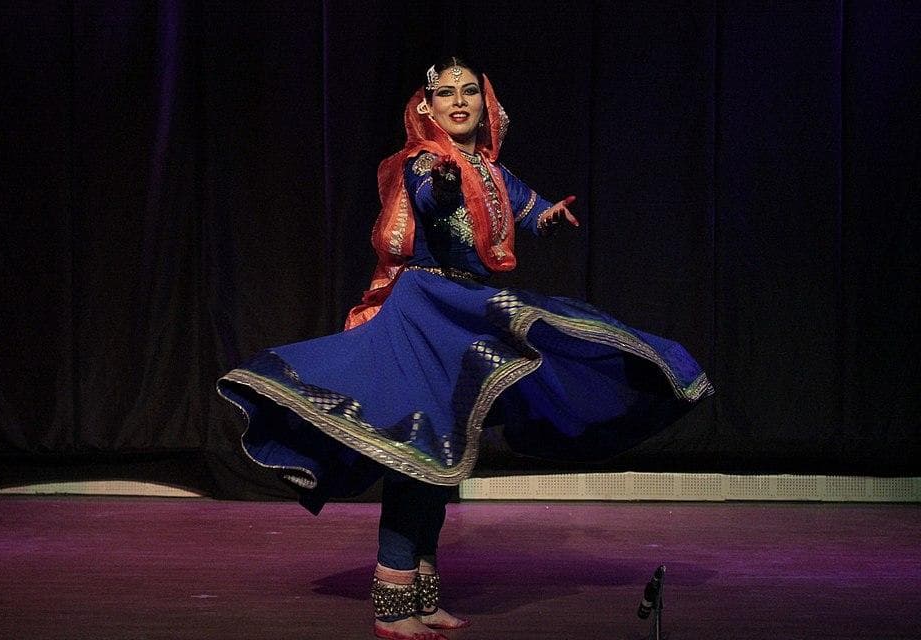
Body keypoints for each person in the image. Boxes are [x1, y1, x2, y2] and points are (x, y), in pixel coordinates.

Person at [217, 57, 713, 640]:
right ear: (425, 107)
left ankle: (424, 597)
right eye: (445, 93)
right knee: (418, 449)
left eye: (469, 92)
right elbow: (426, 200)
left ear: (486, 104)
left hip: (464, 311)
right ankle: (392, 603)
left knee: (444, 458)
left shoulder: (491, 170)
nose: (458, 101)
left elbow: (526, 212)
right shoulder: (425, 164)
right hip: (426, 309)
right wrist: (444, 185)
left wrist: (548, 217)